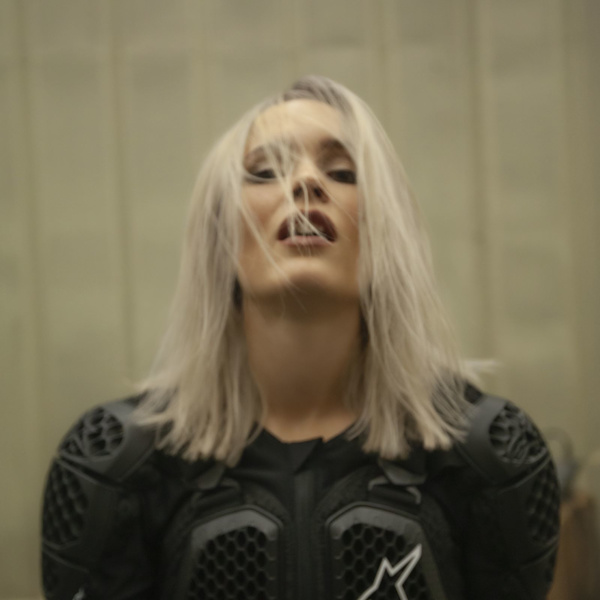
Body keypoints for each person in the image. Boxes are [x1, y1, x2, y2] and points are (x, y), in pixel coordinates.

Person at [41, 76, 560, 600]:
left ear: (386, 233)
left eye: (343, 173)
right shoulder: (115, 472)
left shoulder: (488, 459)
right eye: (266, 172)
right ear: (219, 237)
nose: (307, 181)